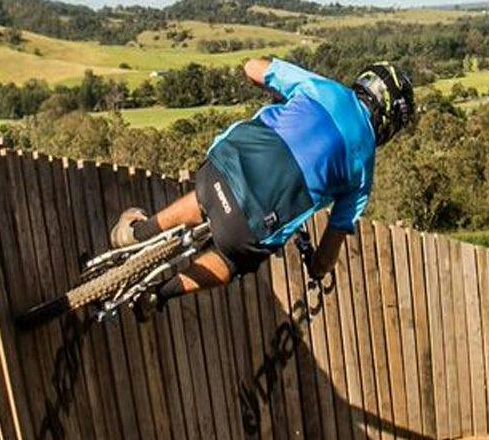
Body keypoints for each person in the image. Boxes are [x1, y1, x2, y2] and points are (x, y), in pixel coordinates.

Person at [109, 57, 415, 312]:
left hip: (218, 169)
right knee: (232, 260)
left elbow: (253, 67)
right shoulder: (363, 173)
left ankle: (137, 232)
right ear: (389, 121)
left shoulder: (322, 88)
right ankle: (159, 296)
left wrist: (276, 90)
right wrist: (318, 268)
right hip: (246, 230)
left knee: (212, 189)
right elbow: (327, 252)